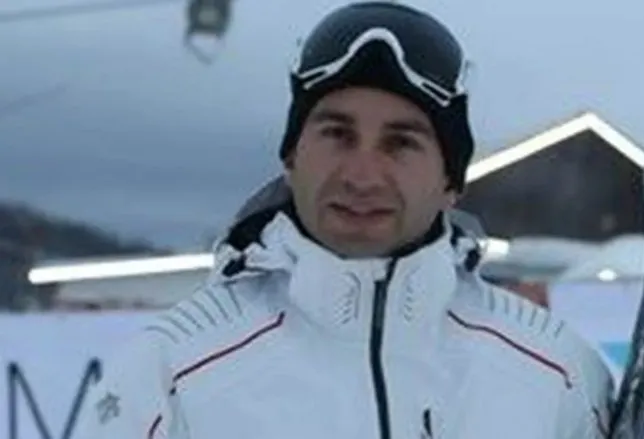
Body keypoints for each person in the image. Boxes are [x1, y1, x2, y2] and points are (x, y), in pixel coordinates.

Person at [74, 2, 615, 438]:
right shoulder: (170, 374)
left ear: (451, 180)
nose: (362, 175)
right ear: (292, 156)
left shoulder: (557, 374)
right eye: (337, 134)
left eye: (400, 143)